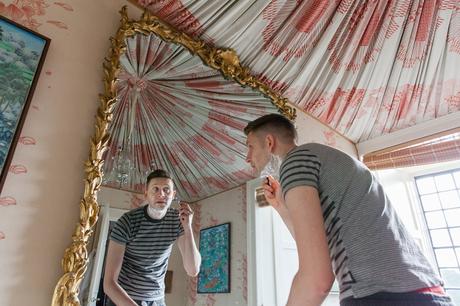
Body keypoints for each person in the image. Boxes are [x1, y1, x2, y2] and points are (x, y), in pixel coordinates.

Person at [244, 113, 454, 306]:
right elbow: (320, 246)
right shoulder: (321, 158)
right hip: (422, 292)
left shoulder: (295, 162)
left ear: (269, 142)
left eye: (250, 146)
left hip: (382, 295)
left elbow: (317, 278)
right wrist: (281, 208)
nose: (247, 157)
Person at [103, 169, 201, 306]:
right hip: (124, 298)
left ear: (173, 195)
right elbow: (109, 284)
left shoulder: (178, 220)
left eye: (166, 190)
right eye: (155, 189)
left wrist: (188, 227)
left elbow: (193, 269)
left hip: (157, 300)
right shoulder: (127, 222)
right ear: (146, 194)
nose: (161, 194)